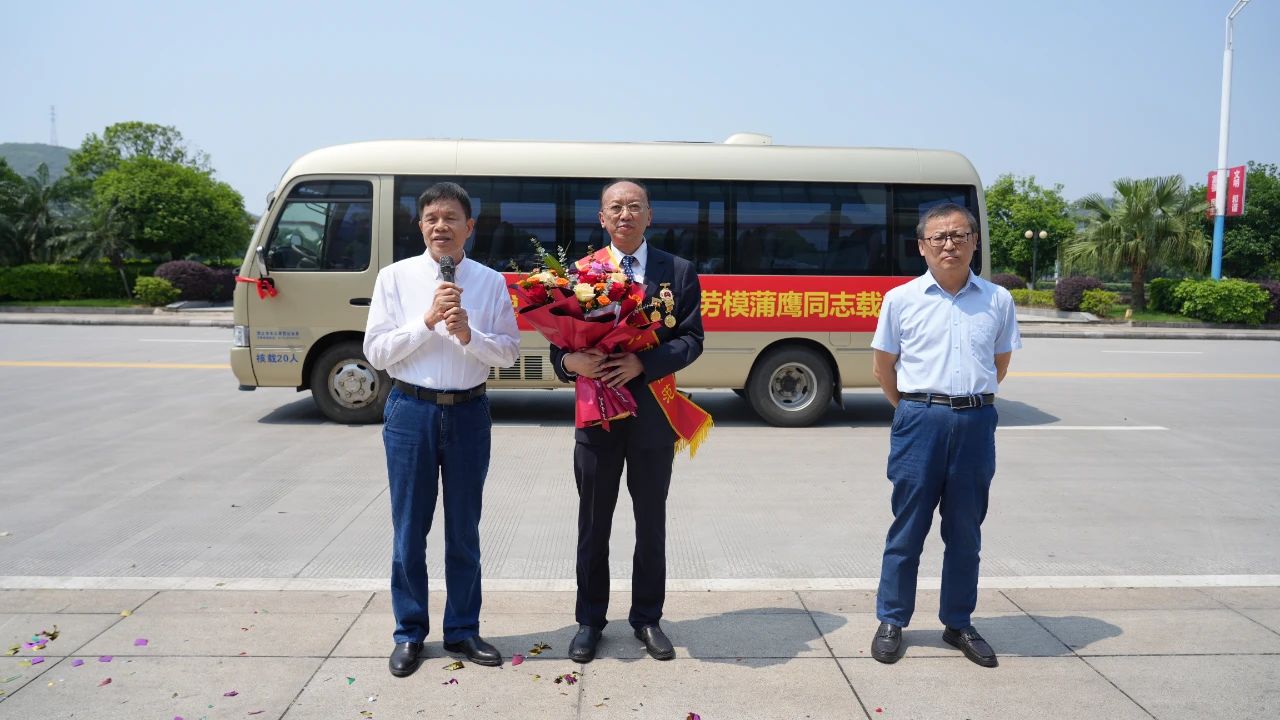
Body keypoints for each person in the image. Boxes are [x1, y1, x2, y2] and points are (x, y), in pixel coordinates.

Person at [363, 182, 520, 678]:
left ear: (469, 226)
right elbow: (376, 353)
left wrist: (470, 335)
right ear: (420, 226)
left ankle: (463, 629)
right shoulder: (394, 278)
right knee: (410, 528)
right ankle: (410, 632)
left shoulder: (490, 282)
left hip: (469, 412)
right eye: (431, 218)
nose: (441, 227)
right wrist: (427, 321)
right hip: (411, 411)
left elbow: (509, 352)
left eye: (451, 218)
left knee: (464, 529)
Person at [551, 180, 704, 663]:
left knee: (650, 523)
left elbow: (692, 339)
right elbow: (558, 347)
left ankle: (648, 619)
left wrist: (644, 363)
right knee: (593, 523)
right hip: (596, 418)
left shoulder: (677, 271)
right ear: (602, 218)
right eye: (615, 207)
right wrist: (569, 363)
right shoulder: (581, 272)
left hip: (653, 417)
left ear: (649, 216)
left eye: (634, 206)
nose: (625, 214)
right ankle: (589, 621)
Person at [868, 202, 1020, 668]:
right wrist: (914, 408)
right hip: (920, 420)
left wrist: (965, 401)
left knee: (965, 530)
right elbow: (884, 367)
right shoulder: (901, 299)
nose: (949, 244)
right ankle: (892, 620)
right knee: (908, 527)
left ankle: (958, 622)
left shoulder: (997, 300)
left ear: (975, 242)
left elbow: (999, 363)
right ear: (922, 246)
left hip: (975, 421)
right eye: (938, 237)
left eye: (959, 235)